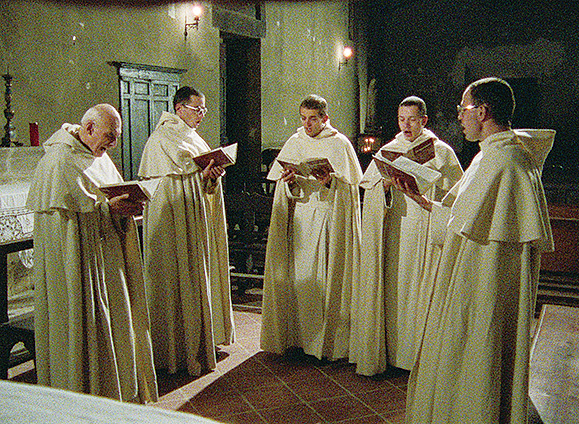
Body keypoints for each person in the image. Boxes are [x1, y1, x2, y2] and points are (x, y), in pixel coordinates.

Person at [402, 78, 554, 423]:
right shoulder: (493, 155)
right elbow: (462, 219)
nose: (459, 116)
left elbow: (469, 230)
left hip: (484, 283)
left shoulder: (504, 162)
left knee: (478, 353)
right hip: (474, 275)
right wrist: (423, 201)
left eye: (463, 108)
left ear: (482, 112)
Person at [27, 104, 158, 402]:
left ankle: (115, 391)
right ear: (89, 128)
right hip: (78, 264)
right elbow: (69, 226)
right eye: (110, 136)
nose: (113, 144)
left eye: (116, 137)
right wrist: (108, 209)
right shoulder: (60, 161)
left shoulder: (97, 155)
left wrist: (122, 207)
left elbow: (105, 198)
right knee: (83, 326)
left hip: (106, 257)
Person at [349, 96, 463, 375]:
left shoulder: (441, 152)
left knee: (423, 291)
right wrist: (386, 185)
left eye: (412, 119)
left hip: (427, 230)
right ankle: (392, 353)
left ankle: (419, 357)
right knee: (395, 290)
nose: (406, 125)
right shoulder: (390, 149)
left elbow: (457, 195)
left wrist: (430, 189)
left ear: (424, 120)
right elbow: (370, 189)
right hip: (395, 231)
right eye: (402, 119)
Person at [138, 86, 234, 376]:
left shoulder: (192, 137)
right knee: (174, 278)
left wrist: (211, 178)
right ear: (179, 108)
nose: (201, 115)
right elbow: (165, 185)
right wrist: (199, 176)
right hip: (172, 221)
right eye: (197, 109)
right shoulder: (161, 139)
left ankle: (198, 340)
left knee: (195, 275)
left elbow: (198, 180)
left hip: (193, 218)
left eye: (204, 110)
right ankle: (174, 349)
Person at [260, 94, 363, 360]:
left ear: (325, 118)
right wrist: (290, 181)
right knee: (301, 280)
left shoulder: (339, 143)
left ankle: (326, 344)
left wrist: (330, 182)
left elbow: (351, 189)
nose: (307, 125)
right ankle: (300, 340)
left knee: (325, 280)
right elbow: (284, 188)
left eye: (313, 119)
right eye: (303, 119)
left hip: (328, 218)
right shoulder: (295, 141)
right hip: (301, 219)